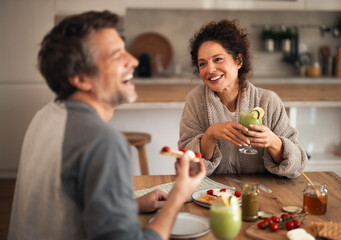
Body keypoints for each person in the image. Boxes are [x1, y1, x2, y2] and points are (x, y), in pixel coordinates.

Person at [8, 11, 205, 240]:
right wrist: (178, 196)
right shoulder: (102, 142)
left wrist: (127, 205)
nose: (133, 61)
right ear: (80, 78)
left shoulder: (46, 115)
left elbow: (65, 203)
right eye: (116, 55)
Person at [178, 19, 307, 178]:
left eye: (218, 59)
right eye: (202, 64)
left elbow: (298, 165)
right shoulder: (196, 101)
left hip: (261, 193)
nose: (210, 69)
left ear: (238, 61)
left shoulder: (267, 101)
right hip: (213, 194)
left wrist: (273, 142)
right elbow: (187, 163)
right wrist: (210, 135)